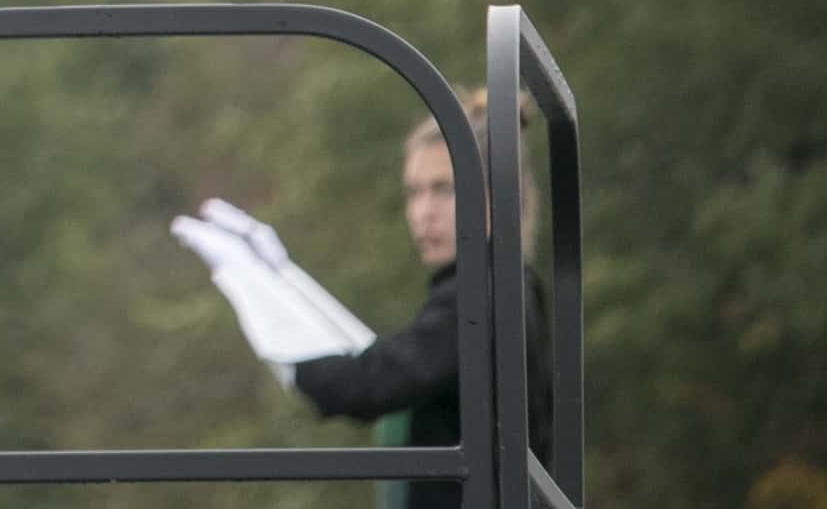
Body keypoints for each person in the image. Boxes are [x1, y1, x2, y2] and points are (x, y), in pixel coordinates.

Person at [176, 93, 553, 509]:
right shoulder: (498, 284)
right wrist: (280, 279)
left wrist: (249, 285)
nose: (422, 212)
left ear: (495, 197)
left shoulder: (483, 296)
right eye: (413, 192)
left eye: (443, 189)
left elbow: (361, 384)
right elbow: (376, 360)